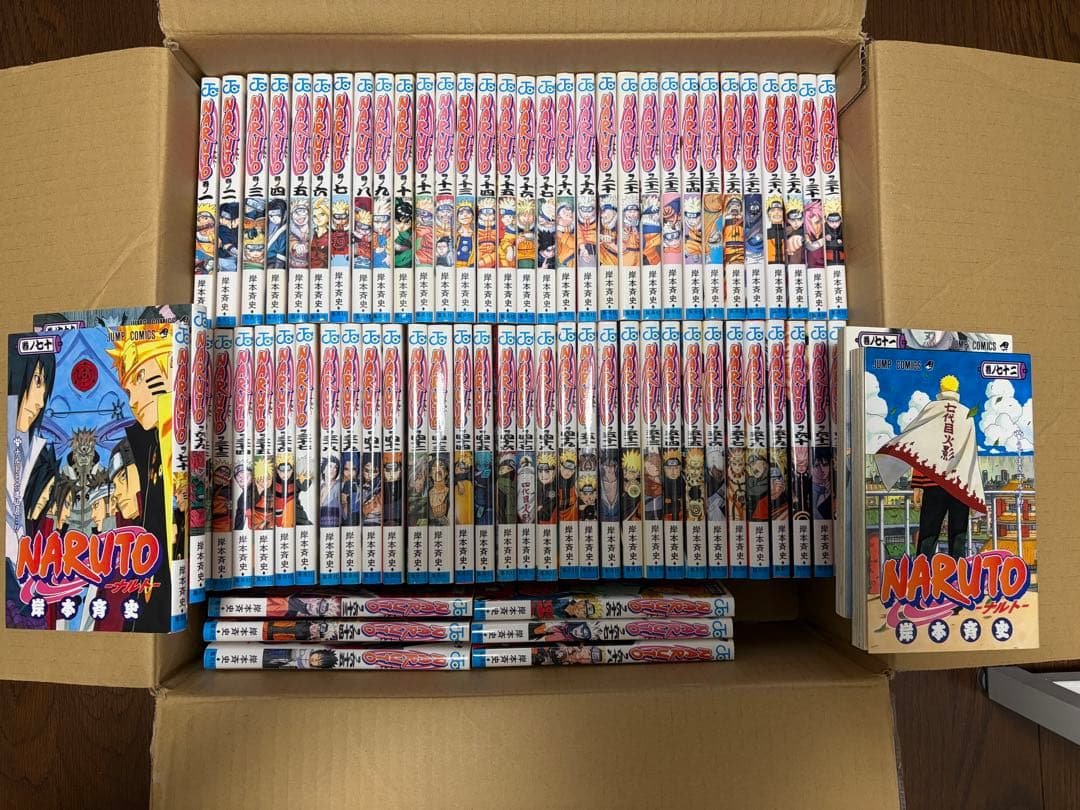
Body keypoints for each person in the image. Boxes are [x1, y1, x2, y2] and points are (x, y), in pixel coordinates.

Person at [875, 374, 986, 559]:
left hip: (933, 483)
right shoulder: (966, 414)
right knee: (958, 536)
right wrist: (973, 490)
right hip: (960, 485)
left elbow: (919, 448)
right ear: (957, 390)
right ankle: (957, 573)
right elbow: (970, 455)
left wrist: (917, 484)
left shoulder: (931, 409)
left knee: (928, 533)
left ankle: (922, 572)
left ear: (941, 389)